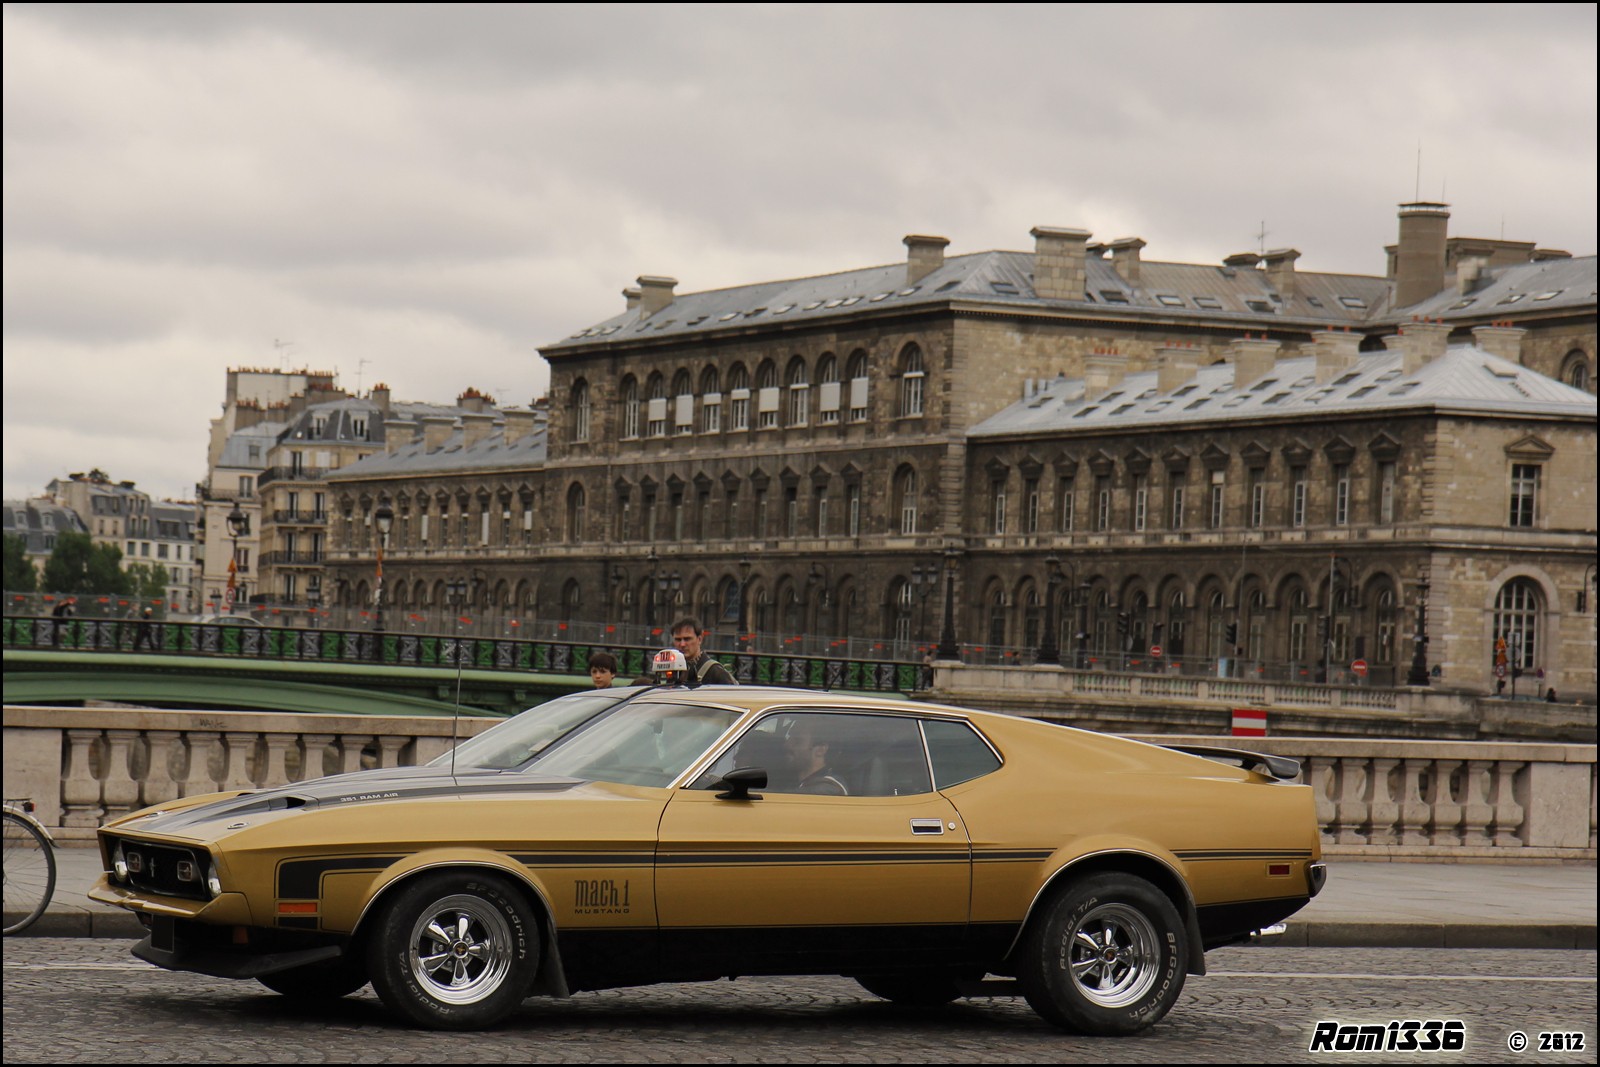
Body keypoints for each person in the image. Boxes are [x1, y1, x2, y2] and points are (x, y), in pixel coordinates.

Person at [784, 720, 847, 795]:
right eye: (789, 737)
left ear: (820, 750)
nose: (786, 744)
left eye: (797, 740)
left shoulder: (829, 789)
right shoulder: (796, 780)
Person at [670, 617, 736, 687]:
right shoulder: (671, 669)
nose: (682, 644)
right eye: (678, 640)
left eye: (687, 639)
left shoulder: (715, 672)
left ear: (700, 639)